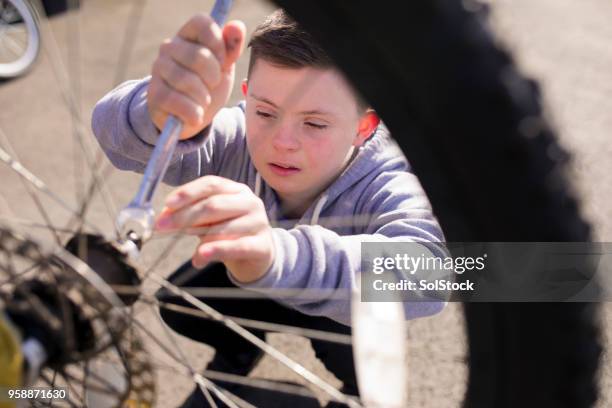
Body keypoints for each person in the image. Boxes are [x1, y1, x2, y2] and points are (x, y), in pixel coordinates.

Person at [92, 9, 445, 407]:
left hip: (338, 303)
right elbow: (115, 135)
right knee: (178, 303)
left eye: (314, 123)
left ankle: (354, 392)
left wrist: (280, 252)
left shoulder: (391, 177)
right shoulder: (237, 133)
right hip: (253, 277)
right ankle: (240, 347)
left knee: (368, 364)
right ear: (246, 98)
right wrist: (157, 113)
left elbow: (434, 273)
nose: (282, 141)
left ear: (363, 128)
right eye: (265, 112)